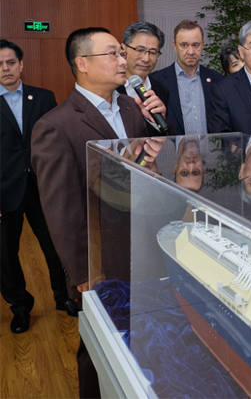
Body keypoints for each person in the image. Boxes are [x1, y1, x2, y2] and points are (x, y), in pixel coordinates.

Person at [31, 27, 165, 399]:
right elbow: (62, 210)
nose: (124, 60)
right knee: (100, 348)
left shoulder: (131, 108)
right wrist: (83, 273)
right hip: (100, 258)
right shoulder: (55, 126)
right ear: (83, 64)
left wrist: (157, 123)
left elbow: (140, 173)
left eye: (122, 53)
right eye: (113, 54)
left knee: (143, 335)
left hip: (141, 246)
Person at [0, 40, 74, 335]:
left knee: (56, 245)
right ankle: (20, 307)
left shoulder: (43, 98)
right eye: (0, 64)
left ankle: (63, 296)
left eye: (10, 62)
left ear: (21, 65)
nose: (5, 68)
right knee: (6, 254)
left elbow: (56, 142)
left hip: (43, 187)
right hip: (5, 190)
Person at [150, 20, 223, 135]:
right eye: (184, 45)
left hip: (210, 146)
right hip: (173, 146)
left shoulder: (217, 80)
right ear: (175, 46)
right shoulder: (156, 81)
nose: (191, 51)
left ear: (202, 45)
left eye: (195, 45)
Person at [116, 22, 171, 109]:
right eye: (140, 50)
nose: (146, 59)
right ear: (123, 49)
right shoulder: (110, 87)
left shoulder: (162, 90)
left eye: (152, 52)